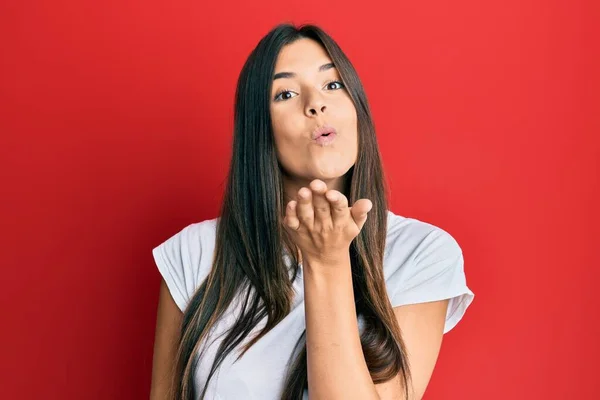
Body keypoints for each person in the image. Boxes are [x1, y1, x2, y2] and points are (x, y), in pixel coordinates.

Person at [149, 23, 474, 400]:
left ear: (357, 109)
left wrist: (328, 262)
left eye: (333, 85)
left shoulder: (422, 253)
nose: (315, 104)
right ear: (260, 129)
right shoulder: (193, 254)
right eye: (285, 93)